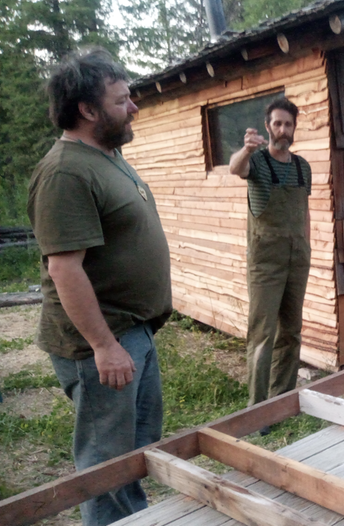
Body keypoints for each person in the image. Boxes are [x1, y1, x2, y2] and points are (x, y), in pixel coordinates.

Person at [27, 48, 172, 526]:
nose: (133, 107)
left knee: (135, 448)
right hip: (101, 345)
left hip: (134, 333)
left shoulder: (108, 155)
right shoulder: (65, 172)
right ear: (87, 110)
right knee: (107, 463)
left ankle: (133, 518)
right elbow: (64, 269)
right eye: (121, 100)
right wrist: (103, 346)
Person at [229, 97, 312, 412]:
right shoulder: (258, 161)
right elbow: (237, 169)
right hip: (266, 260)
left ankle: (283, 400)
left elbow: (303, 209)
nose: (283, 129)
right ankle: (257, 408)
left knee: (291, 331)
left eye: (288, 123)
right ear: (268, 126)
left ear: (294, 127)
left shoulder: (303, 167)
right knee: (263, 333)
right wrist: (247, 149)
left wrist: (306, 246)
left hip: (297, 256)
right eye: (277, 123)